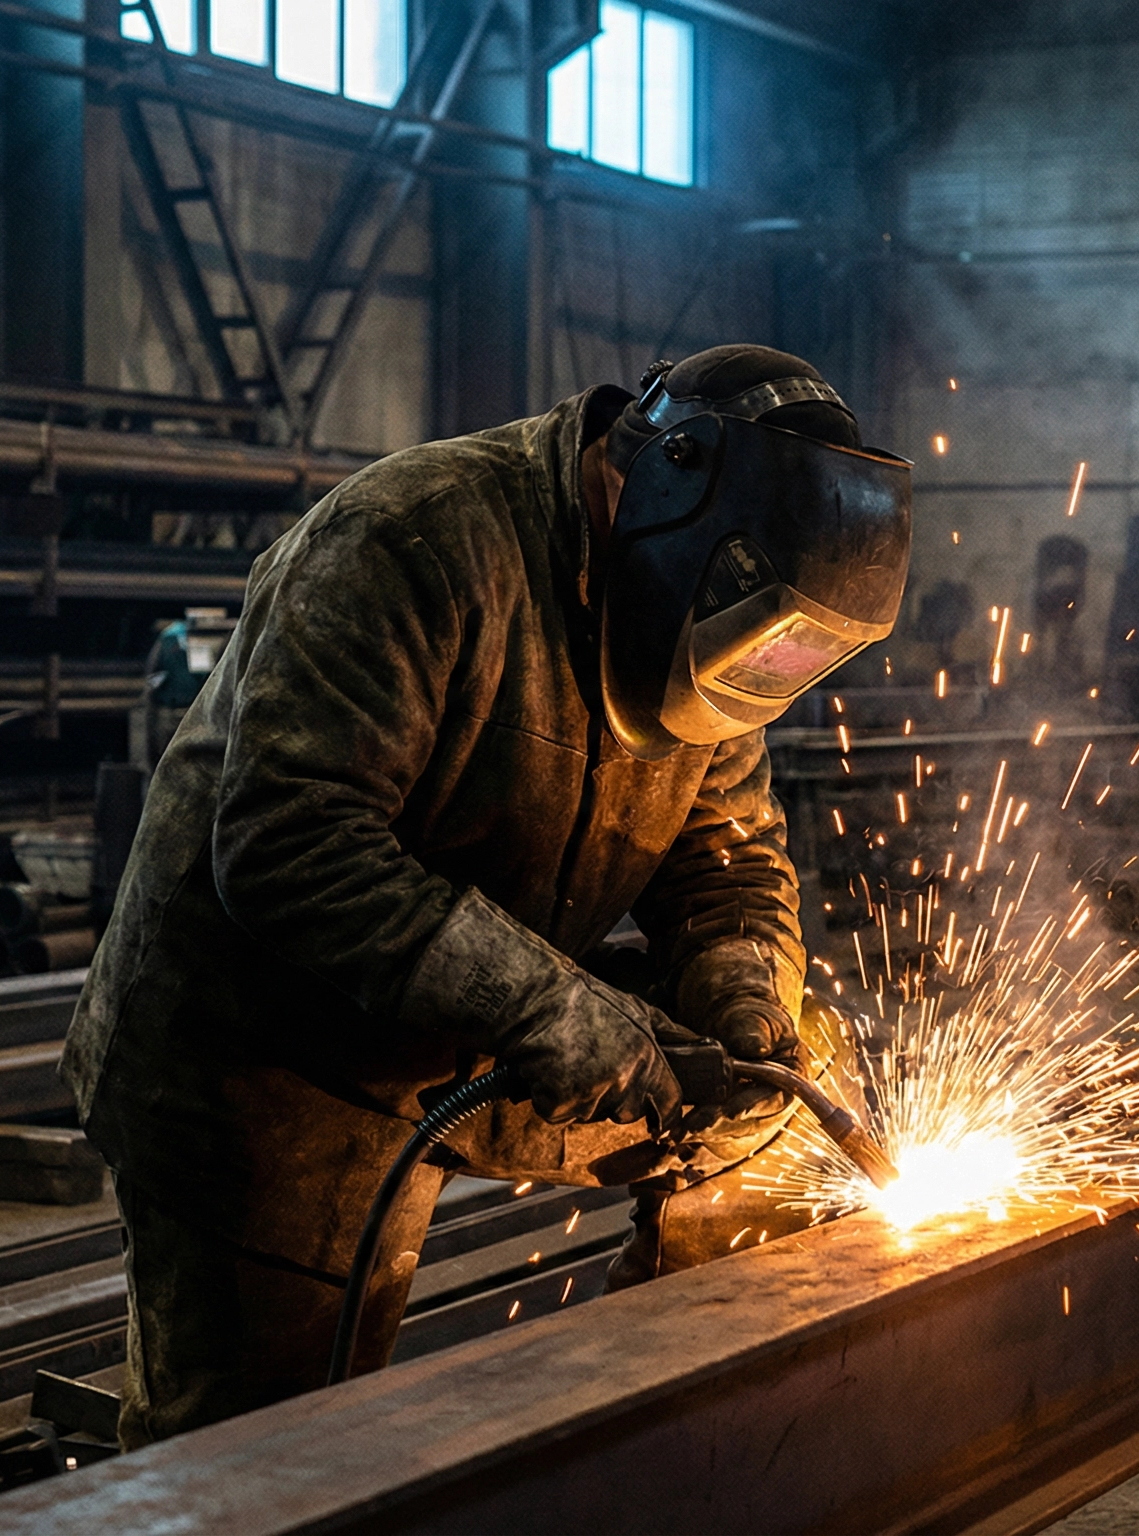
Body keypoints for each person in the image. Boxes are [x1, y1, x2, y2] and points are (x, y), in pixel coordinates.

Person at [61, 344, 912, 1447]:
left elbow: (730, 865)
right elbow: (289, 842)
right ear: (662, 493)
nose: (746, 681)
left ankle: (655, 1455)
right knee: (268, 1458)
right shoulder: (414, 539)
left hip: (473, 1019)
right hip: (266, 1053)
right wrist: (549, 1008)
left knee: (782, 1093)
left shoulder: (720, 610)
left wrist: (743, 992)